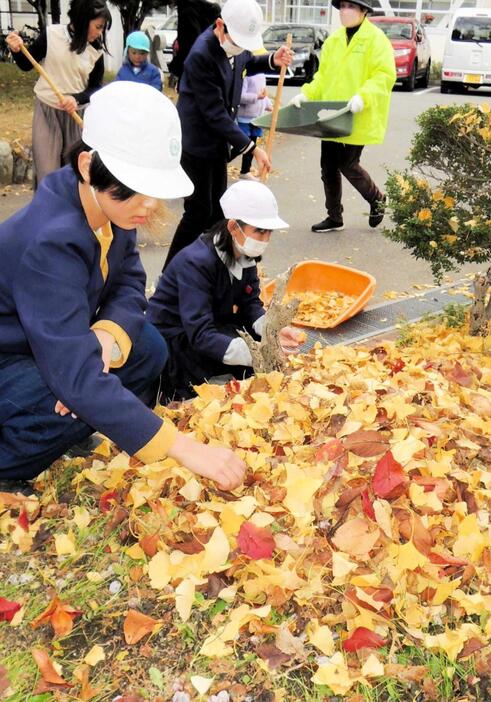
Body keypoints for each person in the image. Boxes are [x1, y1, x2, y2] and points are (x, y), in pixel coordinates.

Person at [0, 82, 245, 496]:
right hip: (11, 359)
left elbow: (131, 282)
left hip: (53, 343)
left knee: (147, 346)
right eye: (136, 187)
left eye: (155, 189)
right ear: (86, 166)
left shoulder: (110, 208)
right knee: (68, 394)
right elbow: (74, 375)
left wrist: (107, 335)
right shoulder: (48, 243)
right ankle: (9, 463)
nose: (149, 204)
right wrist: (182, 447)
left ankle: (73, 422)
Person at [162, 0, 293, 268]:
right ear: (220, 26)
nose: (241, 47)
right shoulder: (201, 55)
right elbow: (214, 114)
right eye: (238, 40)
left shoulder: (234, 43)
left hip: (216, 144)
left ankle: (214, 268)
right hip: (196, 143)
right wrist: (252, 148)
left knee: (218, 211)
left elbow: (245, 63)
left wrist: (271, 60)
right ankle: (171, 272)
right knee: (198, 212)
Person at [147, 180, 303, 402]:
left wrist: (272, 329)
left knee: (255, 362)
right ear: (232, 227)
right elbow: (200, 332)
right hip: (175, 340)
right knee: (215, 388)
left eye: (269, 232)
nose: (265, 240)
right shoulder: (196, 262)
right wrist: (256, 351)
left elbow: (250, 304)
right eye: (259, 231)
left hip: (210, 327)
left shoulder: (244, 253)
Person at [289, 0, 396, 232]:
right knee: (328, 166)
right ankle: (334, 216)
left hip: (357, 113)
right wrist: (305, 95)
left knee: (347, 164)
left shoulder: (376, 40)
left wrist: (363, 96)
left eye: (351, 6)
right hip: (332, 115)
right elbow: (322, 77)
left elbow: (384, 75)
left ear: (364, 10)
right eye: (343, 6)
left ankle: (377, 199)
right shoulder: (333, 41)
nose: (344, 11)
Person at [6, 0, 111, 187]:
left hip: (75, 116)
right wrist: (16, 50)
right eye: (98, 26)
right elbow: (26, 64)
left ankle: (73, 215)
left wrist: (76, 99)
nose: (100, 32)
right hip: (46, 112)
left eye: (102, 28)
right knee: (47, 173)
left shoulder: (96, 51)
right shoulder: (52, 35)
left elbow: (96, 87)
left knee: (75, 174)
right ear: (82, 20)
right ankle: (46, 214)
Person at [168, 0, 221, 86]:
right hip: (211, 64)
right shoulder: (206, 9)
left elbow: (190, 43)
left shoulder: (188, 10)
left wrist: (177, 68)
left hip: (194, 68)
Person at [237, 69, 272, 181]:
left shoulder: (261, 74)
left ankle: (245, 170)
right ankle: (224, 160)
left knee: (253, 145)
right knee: (243, 144)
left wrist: (268, 105)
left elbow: (264, 94)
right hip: (244, 117)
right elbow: (240, 96)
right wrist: (256, 96)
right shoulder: (246, 75)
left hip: (257, 117)